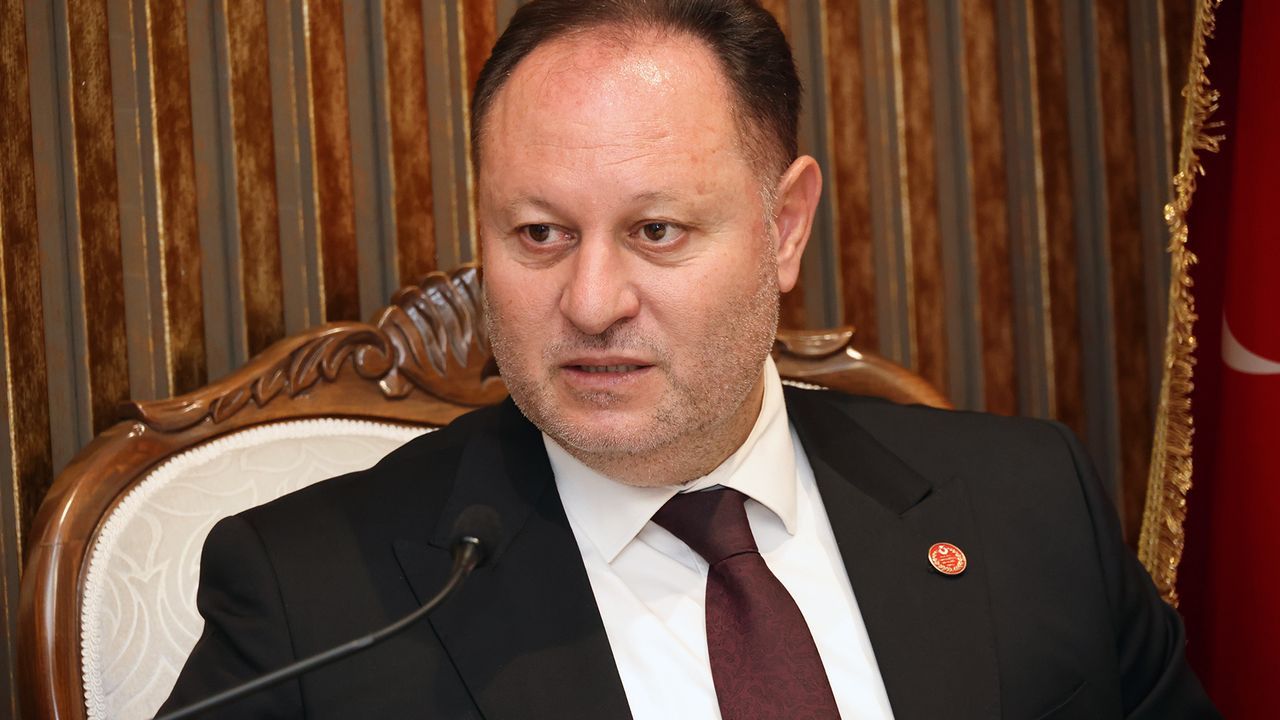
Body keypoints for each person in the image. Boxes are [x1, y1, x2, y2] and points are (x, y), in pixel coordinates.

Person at [161, 1, 1218, 718]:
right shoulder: (314, 599)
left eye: (657, 231)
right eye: (538, 234)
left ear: (784, 227)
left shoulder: (1028, 506)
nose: (590, 303)